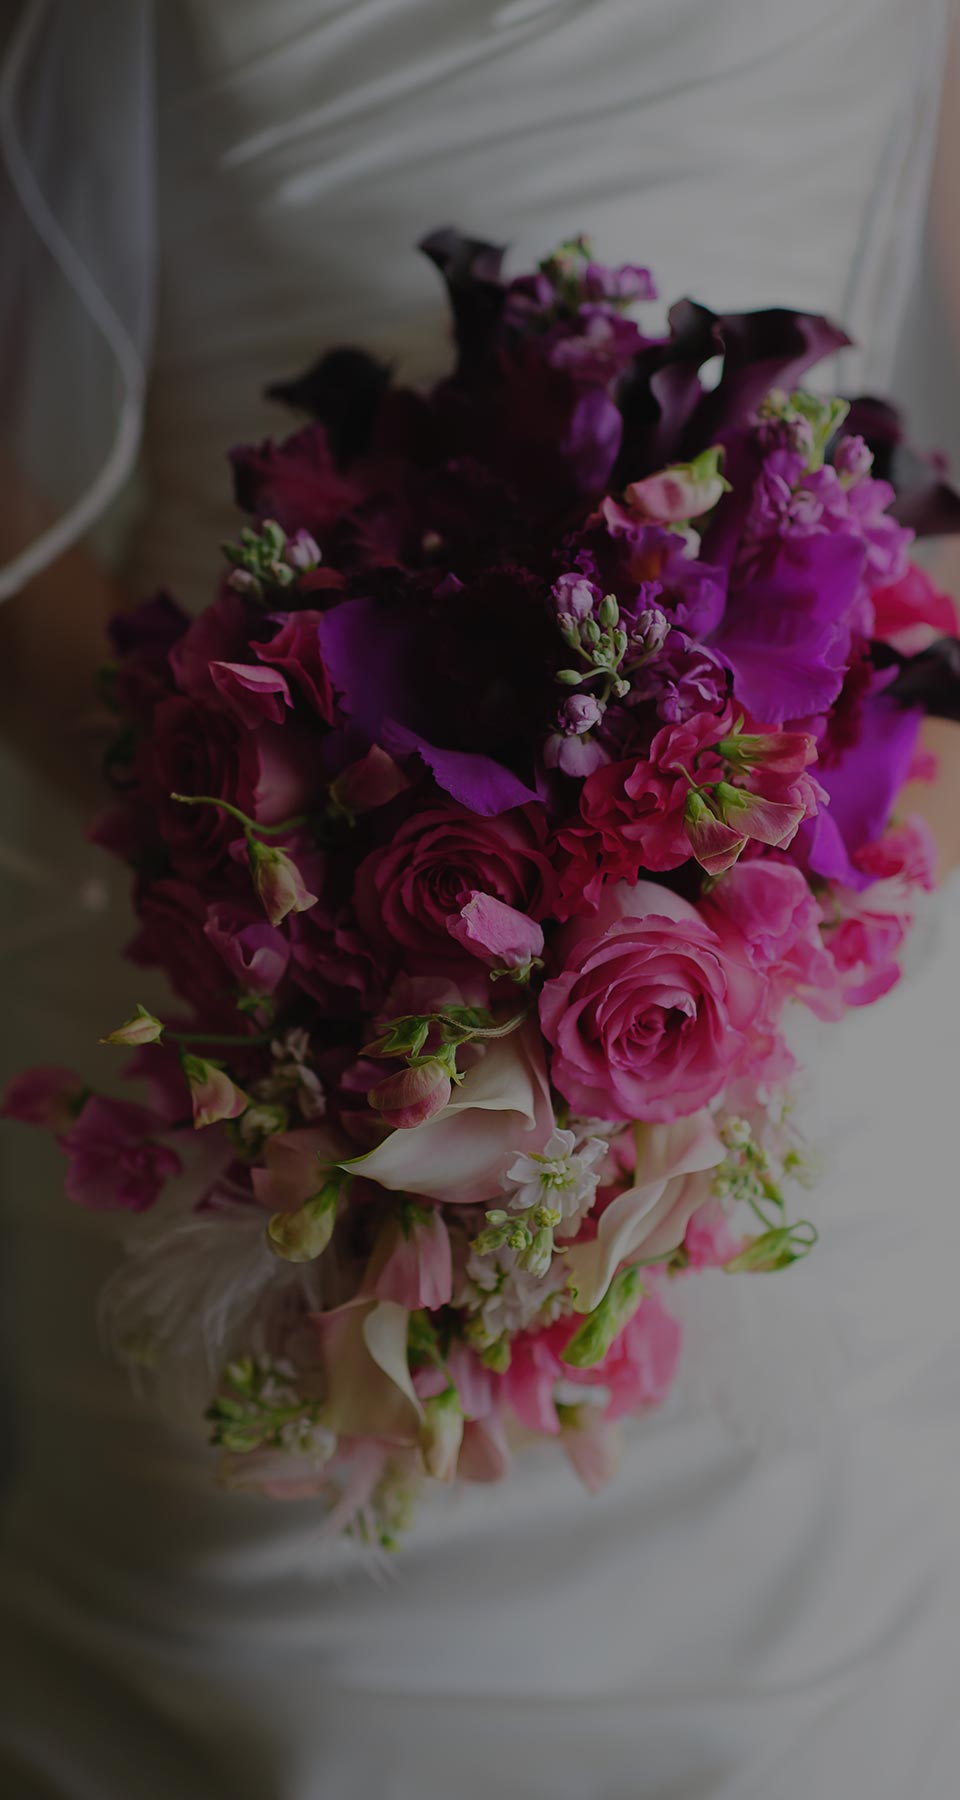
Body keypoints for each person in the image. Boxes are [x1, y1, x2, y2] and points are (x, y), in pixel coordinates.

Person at [1, 3, 959, 1795]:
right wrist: (248, 834)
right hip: (212, 886)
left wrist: (846, 806)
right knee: (256, 1665)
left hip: (808, 925)